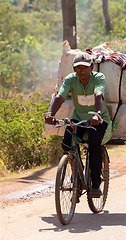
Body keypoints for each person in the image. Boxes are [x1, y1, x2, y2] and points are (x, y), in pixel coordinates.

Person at [44, 52, 110, 197]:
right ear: (74, 69)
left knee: (94, 144)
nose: (81, 70)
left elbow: (99, 94)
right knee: (67, 143)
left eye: (85, 67)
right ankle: (77, 177)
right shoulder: (70, 80)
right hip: (78, 118)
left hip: (98, 119)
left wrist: (97, 113)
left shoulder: (99, 78)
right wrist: (51, 114)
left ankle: (96, 185)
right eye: (78, 68)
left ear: (91, 68)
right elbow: (60, 97)